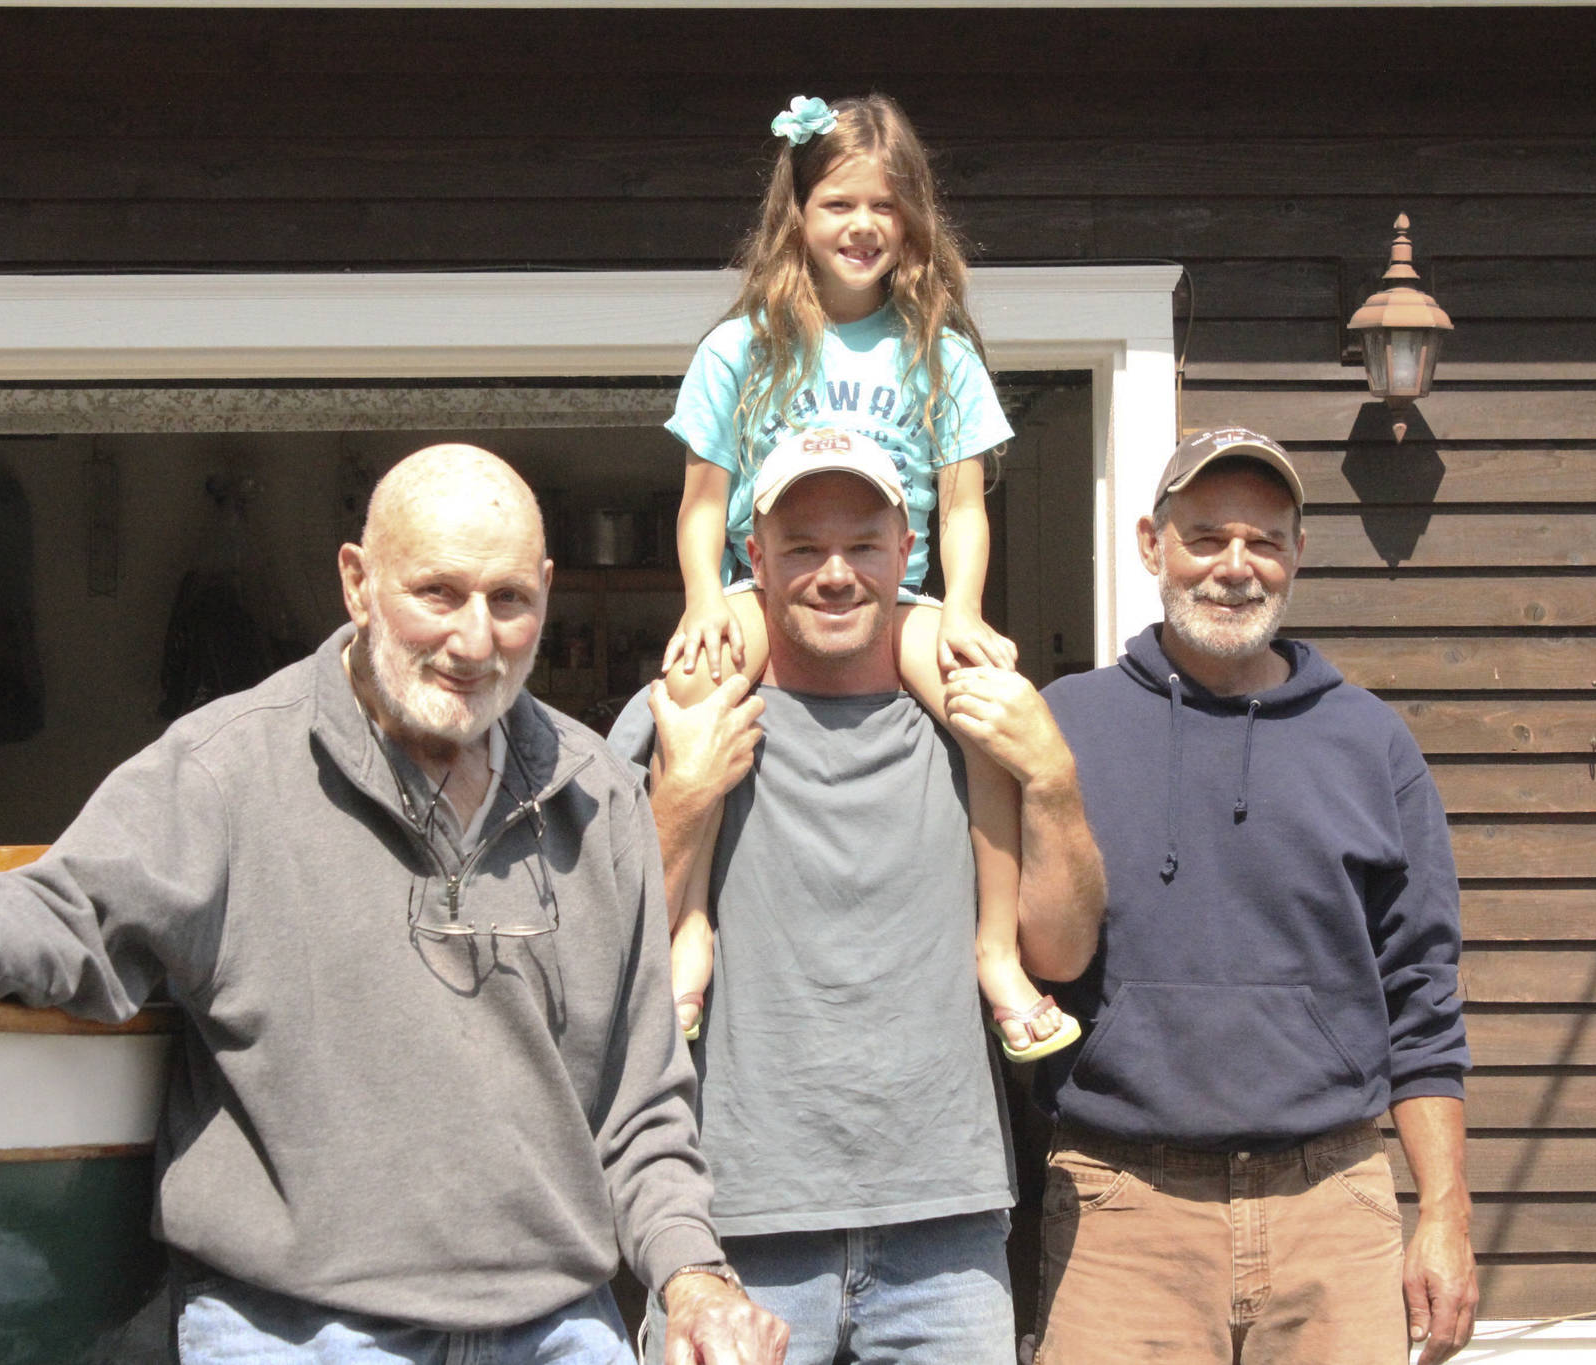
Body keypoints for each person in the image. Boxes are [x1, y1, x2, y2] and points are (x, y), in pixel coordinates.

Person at [0, 445, 788, 1365]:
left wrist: (694, 1279)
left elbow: (641, 1105)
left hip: (556, 1330)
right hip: (295, 1332)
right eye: (437, 593)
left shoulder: (596, 796)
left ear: (549, 595)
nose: (476, 640)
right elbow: (79, 902)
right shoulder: (225, 771)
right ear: (356, 581)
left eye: (509, 600)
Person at [615, 436, 1107, 1364]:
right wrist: (681, 800)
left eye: (863, 546)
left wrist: (1053, 775)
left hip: (947, 1232)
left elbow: (1066, 954)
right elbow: (600, 959)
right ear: (751, 561)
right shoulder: (681, 718)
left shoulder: (972, 719)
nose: (834, 575)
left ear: (907, 550)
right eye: (801, 547)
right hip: (729, 1232)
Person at [1031, 428, 1477, 1365]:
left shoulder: (1372, 745)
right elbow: (1020, 950)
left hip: (1334, 1204)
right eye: (1206, 538)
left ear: (1297, 556)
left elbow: (1423, 999)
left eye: (1264, 541)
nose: (1236, 567)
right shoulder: (1064, 726)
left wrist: (1444, 1212)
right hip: (1123, 1209)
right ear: (1152, 544)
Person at [656, 92, 1077, 1062]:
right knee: (691, 691)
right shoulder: (740, 348)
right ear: (795, 216)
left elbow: (963, 505)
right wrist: (698, 604)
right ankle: (685, 930)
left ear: (914, 220)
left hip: (903, 597)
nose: (861, 227)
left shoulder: (940, 352)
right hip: (767, 591)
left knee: (985, 707)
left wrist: (962, 609)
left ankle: (995, 949)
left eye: (883, 207)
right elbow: (702, 504)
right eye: (837, 204)